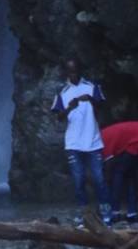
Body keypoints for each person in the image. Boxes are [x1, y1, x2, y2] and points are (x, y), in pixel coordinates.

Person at [51, 58, 112, 226]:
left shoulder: (92, 87)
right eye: (70, 71)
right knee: (78, 181)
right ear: (66, 73)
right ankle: (85, 215)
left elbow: (102, 107)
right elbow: (58, 118)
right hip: (73, 144)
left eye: (76, 70)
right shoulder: (62, 92)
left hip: (93, 142)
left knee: (99, 179)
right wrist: (70, 106)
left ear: (80, 70)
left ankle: (106, 214)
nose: (74, 74)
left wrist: (90, 99)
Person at [101, 121, 138, 223]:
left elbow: (109, 164)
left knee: (118, 174)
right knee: (130, 176)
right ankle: (132, 213)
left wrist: (106, 180)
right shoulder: (102, 135)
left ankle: (115, 212)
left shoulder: (101, 143)